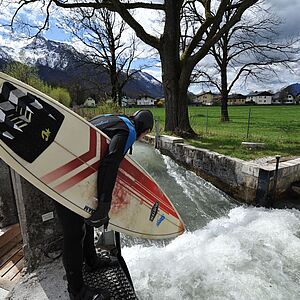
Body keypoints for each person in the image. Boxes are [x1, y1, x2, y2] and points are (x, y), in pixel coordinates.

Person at [54, 110, 154, 300]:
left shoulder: (113, 119)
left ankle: (91, 260)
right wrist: (104, 205)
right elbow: (110, 163)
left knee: (85, 219)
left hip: (69, 166)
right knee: (74, 234)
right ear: (146, 131)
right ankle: (77, 292)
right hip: (67, 177)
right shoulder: (129, 132)